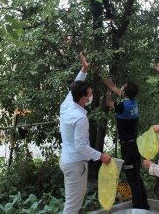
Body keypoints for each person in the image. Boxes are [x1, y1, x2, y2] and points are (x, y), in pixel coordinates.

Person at [59, 53, 111, 214]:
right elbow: (81, 146)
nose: (91, 95)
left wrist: (84, 70)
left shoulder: (67, 104)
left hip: (67, 160)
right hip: (76, 165)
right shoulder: (80, 118)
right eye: (89, 94)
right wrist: (101, 156)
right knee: (73, 206)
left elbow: (75, 85)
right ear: (83, 99)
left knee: (72, 202)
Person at [103, 78, 150, 210]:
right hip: (135, 145)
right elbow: (119, 92)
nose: (122, 86)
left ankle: (138, 209)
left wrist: (108, 90)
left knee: (132, 180)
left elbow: (108, 102)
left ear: (125, 91)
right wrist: (116, 89)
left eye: (124, 86)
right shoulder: (133, 103)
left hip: (128, 148)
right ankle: (144, 207)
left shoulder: (122, 106)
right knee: (137, 177)